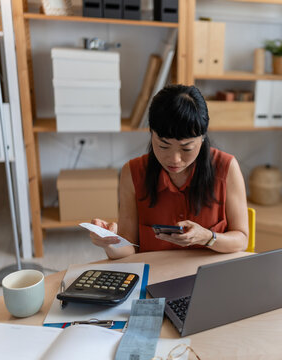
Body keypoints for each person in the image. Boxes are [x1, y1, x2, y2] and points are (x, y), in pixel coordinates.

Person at [89, 84, 249, 259]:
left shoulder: (226, 167)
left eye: (186, 148)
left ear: (202, 139)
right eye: (163, 146)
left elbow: (241, 240)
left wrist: (207, 237)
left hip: (209, 275)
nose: (175, 159)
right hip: (156, 276)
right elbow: (128, 249)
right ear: (151, 134)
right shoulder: (133, 173)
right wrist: (110, 242)